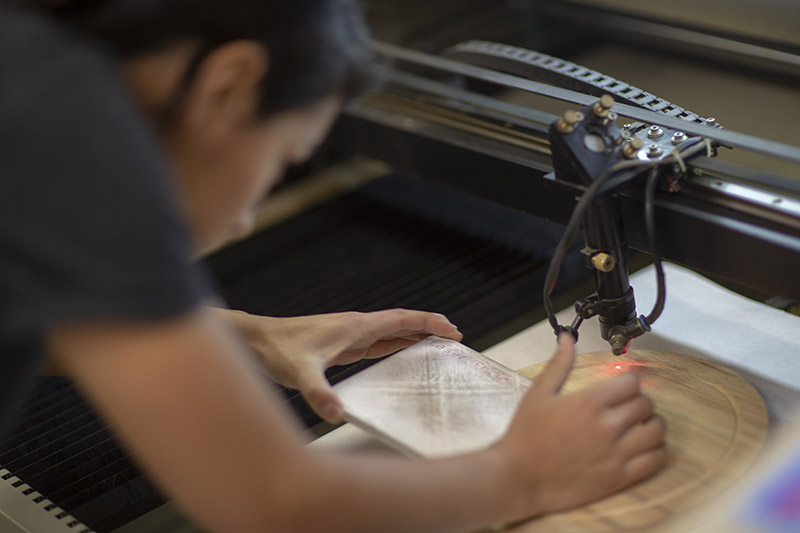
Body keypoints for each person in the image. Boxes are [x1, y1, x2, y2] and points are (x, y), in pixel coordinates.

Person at [0, 0, 667, 531]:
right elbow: (273, 500)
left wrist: (247, 334)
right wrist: (524, 472)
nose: (243, 219)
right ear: (229, 83)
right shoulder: (76, 133)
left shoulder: (27, 62)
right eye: (284, 158)